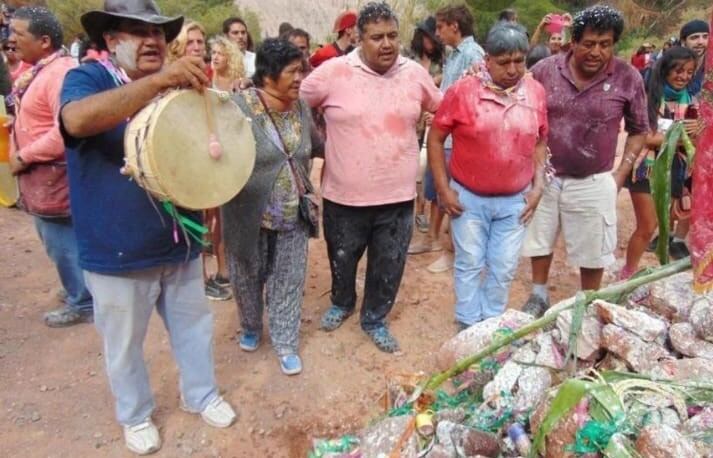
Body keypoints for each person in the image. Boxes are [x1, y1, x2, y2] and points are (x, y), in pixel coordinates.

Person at [59, 1, 236, 454]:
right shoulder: (89, 79)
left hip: (178, 243)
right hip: (117, 249)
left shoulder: (178, 85)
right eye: (138, 32)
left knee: (194, 326)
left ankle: (201, 394)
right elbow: (76, 120)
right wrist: (160, 82)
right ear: (111, 41)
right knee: (124, 344)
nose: (153, 40)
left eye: (158, 33)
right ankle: (135, 415)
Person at [301, 1, 442, 353]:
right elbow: (293, 99)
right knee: (342, 259)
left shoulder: (413, 73)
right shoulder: (333, 72)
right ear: (358, 38)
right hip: (343, 198)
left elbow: (444, 107)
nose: (387, 44)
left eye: (392, 36)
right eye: (376, 37)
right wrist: (314, 144)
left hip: (396, 199)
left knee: (389, 265)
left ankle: (375, 318)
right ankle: (342, 301)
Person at [520, 5, 648, 317]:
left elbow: (640, 130)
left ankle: (588, 301)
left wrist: (619, 175)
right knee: (540, 237)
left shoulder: (627, 78)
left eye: (605, 44)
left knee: (594, 249)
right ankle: (538, 294)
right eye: (589, 43)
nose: (596, 51)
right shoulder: (545, 71)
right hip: (545, 177)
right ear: (573, 42)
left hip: (594, 180)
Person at [429, 23, 548, 329]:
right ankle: (468, 325)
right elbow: (435, 137)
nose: (512, 69)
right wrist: (443, 189)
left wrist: (538, 187)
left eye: (519, 61)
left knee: (504, 266)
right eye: (504, 62)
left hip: (515, 202)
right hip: (468, 199)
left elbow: (540, 141)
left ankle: (491, 323)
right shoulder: (463, 91)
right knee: (468, 264)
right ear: (488, 60)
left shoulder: (534, 92)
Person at [223, 38, 320, 376]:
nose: (299, 78)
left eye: (301, 71)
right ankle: (250, 325)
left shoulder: (302, 108)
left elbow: (315, 146)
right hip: (248, 214)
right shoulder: (237, 107)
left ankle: (285, 341)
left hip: (293, 212)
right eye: (292, 72)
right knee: (247, 276)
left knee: (289, 279)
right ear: (268, 74)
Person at [7, 7, 93, 328]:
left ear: (44, 41)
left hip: (55, 180)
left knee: (62, 242)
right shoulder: (42, 70)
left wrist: (25, 155)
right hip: (48, 181)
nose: (10, 39)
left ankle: (83, 300)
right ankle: (78, 288)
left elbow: (65, 130)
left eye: (18, 34)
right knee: (62, 240)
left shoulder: (58, 74)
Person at [411, 4, 485, 274]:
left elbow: (473, 99)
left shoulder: (473, 55)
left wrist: (443, 114)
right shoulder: (455, 55)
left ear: (455, 25)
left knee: (452, 196)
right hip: (444, 138)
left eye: (441, 26)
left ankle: (452, 252)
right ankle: (431, 239)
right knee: (436, 192)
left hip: (458, 140)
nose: (438, 32)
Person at [168, 21, 235, 301]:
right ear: (179, 46)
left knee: (215, 217)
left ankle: (220, 272)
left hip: (208, 156)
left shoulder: (210, 76)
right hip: (181, 160)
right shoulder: (167, 78)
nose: (197, 46)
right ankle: (199, 276)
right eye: (191, 41)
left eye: (200, 41)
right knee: (192, 220)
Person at [622, 46, 699, 278]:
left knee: (666, 226)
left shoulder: (693, 103)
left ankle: (659, 273)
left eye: (689, 71)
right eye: (678, 70)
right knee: (648, 226)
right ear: (665, 70)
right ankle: (627, 273)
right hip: (646, 168)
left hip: (675, 170)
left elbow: (697, 138)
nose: (683, 76)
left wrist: (693, 134)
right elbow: (645, 136)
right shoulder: (649, 98)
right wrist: (680, 138)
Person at [408, 16, 444, 233]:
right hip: (411, 120)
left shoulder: (443, 62)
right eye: (428, 37)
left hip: (432, 122)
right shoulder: (408, 59)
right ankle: (412, 209)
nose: (431, 42)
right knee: (411, 167)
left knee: (426, 167)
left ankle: (421, 211)